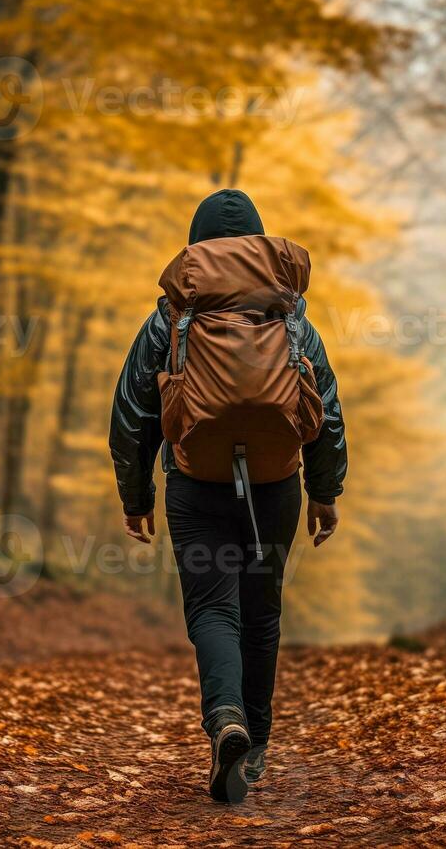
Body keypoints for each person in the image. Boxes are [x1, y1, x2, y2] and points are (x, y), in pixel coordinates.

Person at [109, 188, 347, 804]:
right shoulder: (292, 318)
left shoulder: (171, 317)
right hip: (274, 483)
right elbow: (325, 407)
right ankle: (258, 742)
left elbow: (132, 410)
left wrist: (137, 497)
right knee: (262, 611)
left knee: (214, 610)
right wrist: (324, 492)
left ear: (198, 245)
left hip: (195, 482)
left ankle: (226, 720)